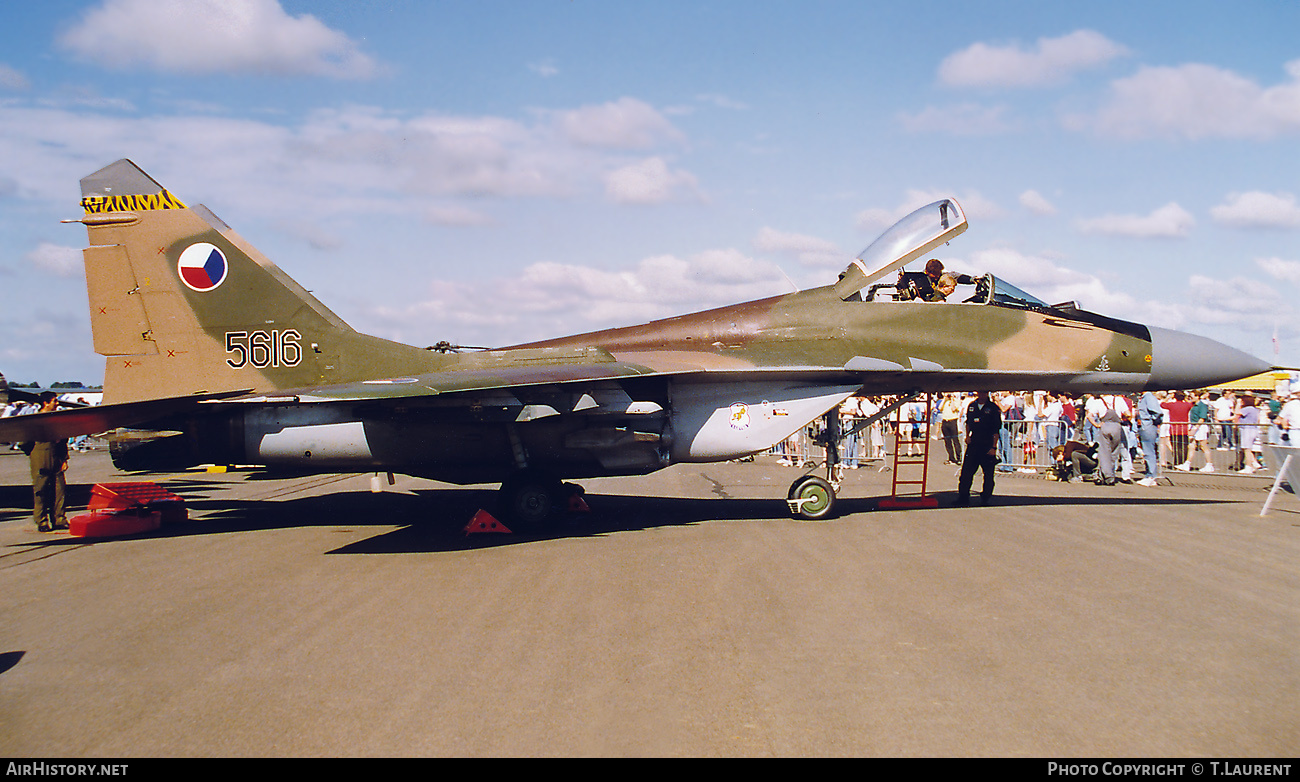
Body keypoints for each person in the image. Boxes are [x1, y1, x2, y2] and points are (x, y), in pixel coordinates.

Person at [22, 392, 69, 533]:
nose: (57, 403)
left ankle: (59, 519)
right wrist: (35, 453)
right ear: (46, 403)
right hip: (40, 457)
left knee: (60, 490)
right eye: (55, 401)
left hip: (57, 458)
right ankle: (41, 521)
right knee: (40, 491)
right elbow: (23, 442)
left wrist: (64, 459)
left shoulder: (56, 419)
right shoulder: (35, 420)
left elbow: (63, 440)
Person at [956, 390, 1001, 506]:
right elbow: (968, 422)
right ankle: (963, 497)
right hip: (974, 443)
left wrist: (994, 447)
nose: (982, 396)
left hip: (987, 443)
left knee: (988, 474)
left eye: (984, 393)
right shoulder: (972, 406)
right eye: (980, 393)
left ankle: (986, 497)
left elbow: (996, 429)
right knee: (966, 472)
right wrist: (967, 436)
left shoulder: (993, 408)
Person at [1135, 390, 1163, 486]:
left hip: (1147, 426)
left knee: (1148, 451)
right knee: (1147, 451)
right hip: (1144, 426)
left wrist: (1151, 422)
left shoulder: (1148, 397)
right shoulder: (1143, 398)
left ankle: (1150, 476)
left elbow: (1157, 412)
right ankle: (1150, 475)